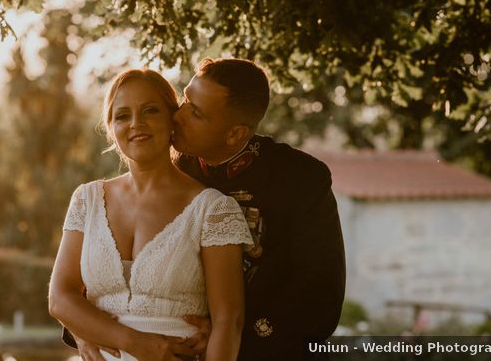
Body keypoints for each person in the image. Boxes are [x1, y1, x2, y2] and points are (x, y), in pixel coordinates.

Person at [73, 58, 346, 361]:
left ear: (235, 134)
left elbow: (321, 297)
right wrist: (83, 327)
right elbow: (108, 264)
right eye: (186, 98)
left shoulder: (299, 179)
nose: (179, 115)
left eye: (196, 113)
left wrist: (229, 330)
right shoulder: (171, 167)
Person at [49, 69, 254, 361]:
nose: (136, 124)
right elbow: (60, 298)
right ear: (110, 128)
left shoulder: (213, 209)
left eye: (150, 110)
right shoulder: (87, 199)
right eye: (122, 115)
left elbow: (228, 321)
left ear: (172, 120)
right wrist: (135, 343)